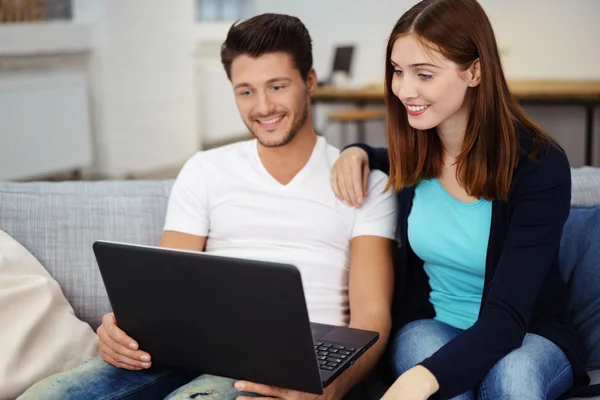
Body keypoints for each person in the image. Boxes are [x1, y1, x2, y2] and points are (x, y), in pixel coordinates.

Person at [19, 13, 397, 400]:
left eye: (277, 86)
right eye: (245, 91)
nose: (263, 106)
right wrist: (122, 329)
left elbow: (372, 318)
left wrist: (332, 388)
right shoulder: (205, 169)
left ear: (310, 81)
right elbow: (163, 289)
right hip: (185, 350)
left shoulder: (366, 183)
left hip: (286, 365)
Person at [331, 0, 589, 399]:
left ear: (474, 71)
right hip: (433, 322)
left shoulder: (540, 165)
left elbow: (505, 321)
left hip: (524, 330)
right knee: (440, 373)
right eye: (398, 72)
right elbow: (382, 155)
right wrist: (357, 151)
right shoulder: (412, 154)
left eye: (424, 74)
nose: (404, 89)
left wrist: (420, 380)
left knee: (512, 379)